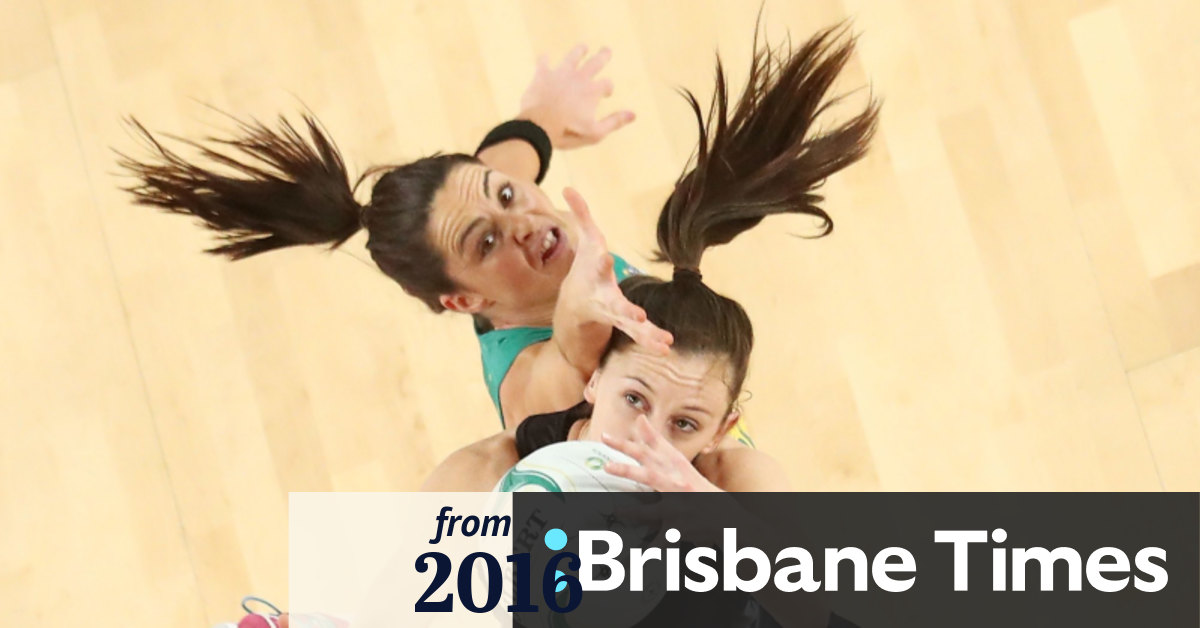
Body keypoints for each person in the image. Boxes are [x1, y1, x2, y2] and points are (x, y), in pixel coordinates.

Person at [116, 45, 675, 431]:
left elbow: (501, 161)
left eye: (505, 196)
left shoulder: (506, 216)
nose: (522, 221)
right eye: (484, 243)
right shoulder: (530, 385)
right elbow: (570, 360)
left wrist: (545, 115)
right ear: (465, 301)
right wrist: (590, 309)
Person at [422, 24, 880, 493]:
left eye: (685, 424)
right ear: (593, 381)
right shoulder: (537, 403)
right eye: (635, 400)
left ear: (720, 430)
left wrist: (539, 118)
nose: (644, 444)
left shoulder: (732, 473)